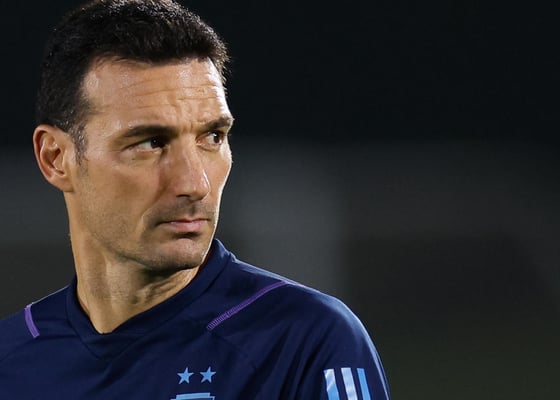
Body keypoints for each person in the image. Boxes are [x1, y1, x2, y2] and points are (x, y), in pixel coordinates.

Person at [0, 1, 390, 398]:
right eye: (150, 143)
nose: (195, 183)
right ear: (56, 158)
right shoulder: (10, 361)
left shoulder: (304, 342)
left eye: (212, 137)